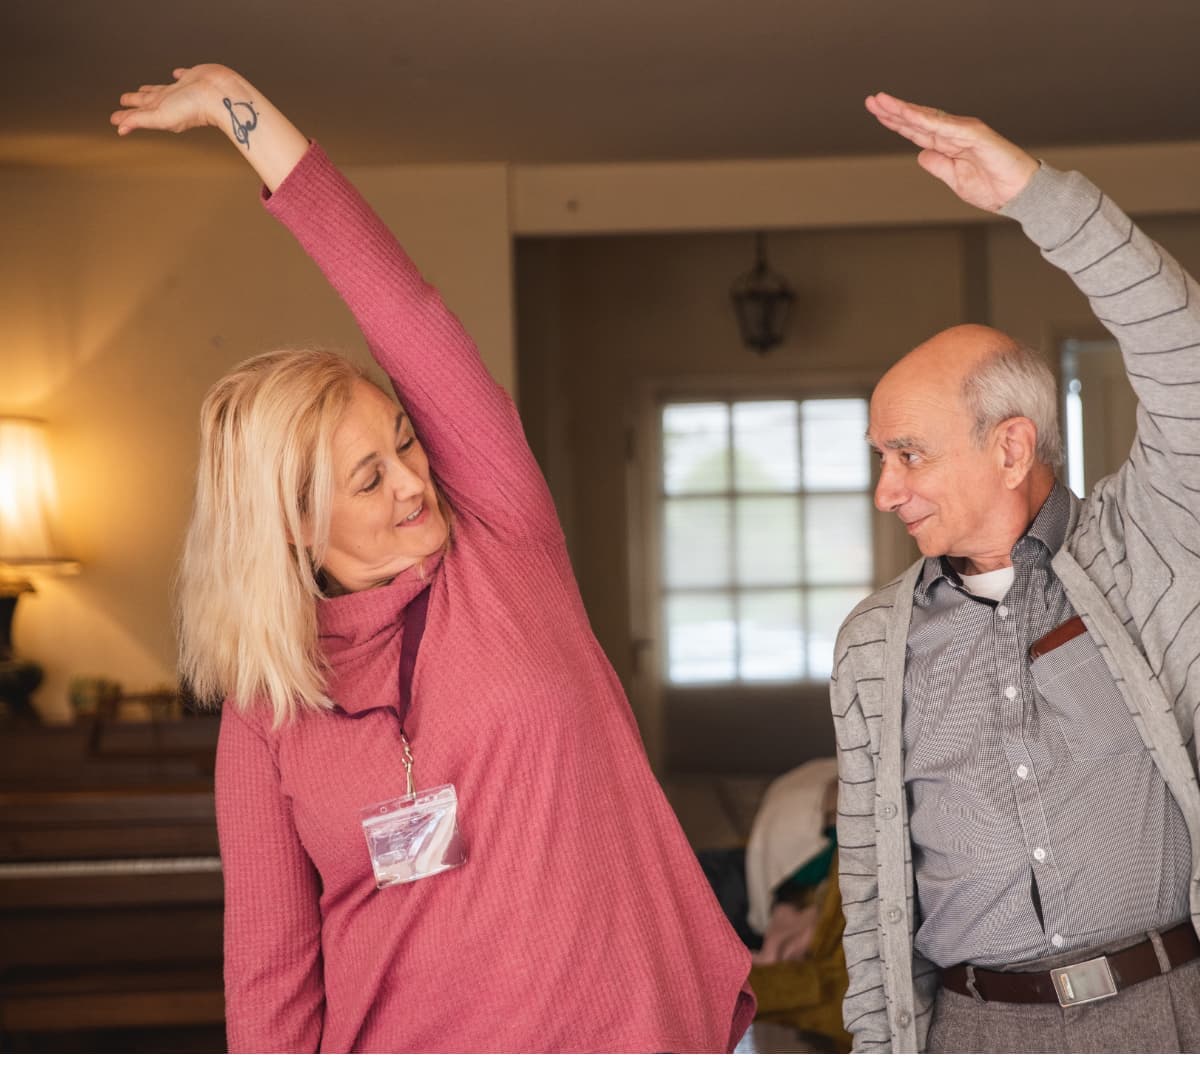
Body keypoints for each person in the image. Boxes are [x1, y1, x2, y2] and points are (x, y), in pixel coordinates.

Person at [110, 64, 752, 1053]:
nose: (413, 482)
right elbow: (270, 968)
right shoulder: (267, 704)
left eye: (405, 441)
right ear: (292, 523)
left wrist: (242, 111)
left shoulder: (503, 543)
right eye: (367, 480)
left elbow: (403, 309)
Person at [832, 92, 1200, 1053]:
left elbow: (1185, 356)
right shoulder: (873, 644)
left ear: (1010, 445)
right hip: (975, 1033)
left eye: (907, 455)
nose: (885, 490)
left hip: (1170, 1015)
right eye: (879, 459)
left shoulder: (1148, 543)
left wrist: (1038, 198)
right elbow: (869, 894)